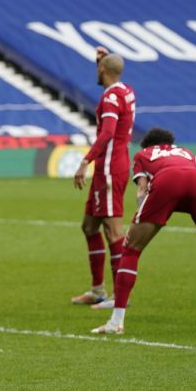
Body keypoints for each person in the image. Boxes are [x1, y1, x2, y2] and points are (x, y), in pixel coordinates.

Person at [92, 128, 196, 334]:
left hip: (167, 181)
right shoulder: (186, 152)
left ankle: (116, 323)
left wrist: (140, 217)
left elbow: (142, 190)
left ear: (148, 145)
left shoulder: (143, 154)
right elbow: (187, 179)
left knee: (131, 249)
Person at [71, 48, 136, 310]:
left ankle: (120, 297)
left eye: (99, 67)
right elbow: (110, 69)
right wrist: (103, 59)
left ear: (102, 71)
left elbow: (107, 132)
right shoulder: (126, 91)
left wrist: (85, 160)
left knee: (113, 231)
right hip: (111, 169)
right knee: (89, 227)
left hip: (108, 169)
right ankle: (98, 290)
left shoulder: (110, 99)